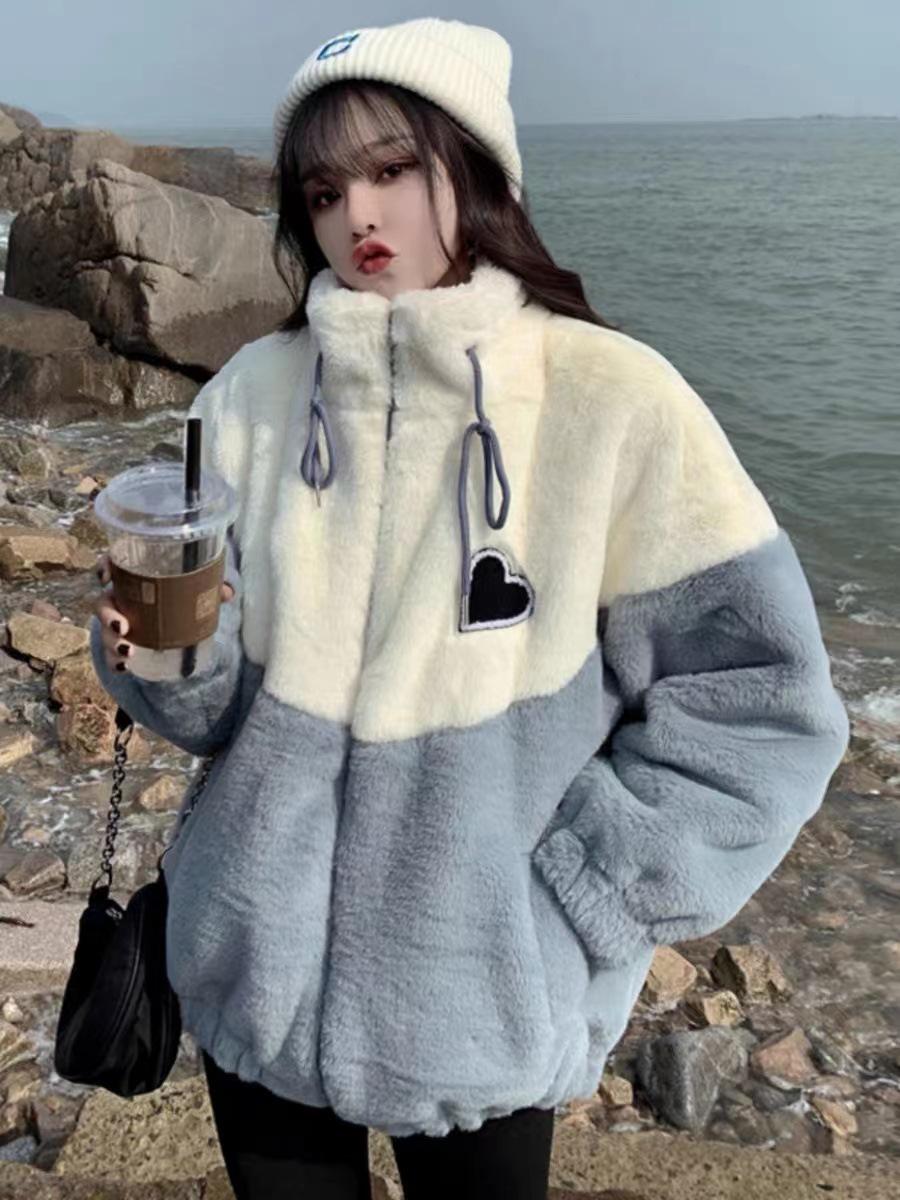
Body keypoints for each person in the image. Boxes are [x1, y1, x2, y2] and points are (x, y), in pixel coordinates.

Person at [90, 17, 851, 1200]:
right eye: (325, 190)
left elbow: (764, 705)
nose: (359, 213)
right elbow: (207, 716)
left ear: (477, 168)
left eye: (394, 168)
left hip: (482, 1005)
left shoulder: (613, 398)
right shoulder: (246, 398)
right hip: (252, 979)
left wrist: (580, 898)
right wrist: (164, 648)